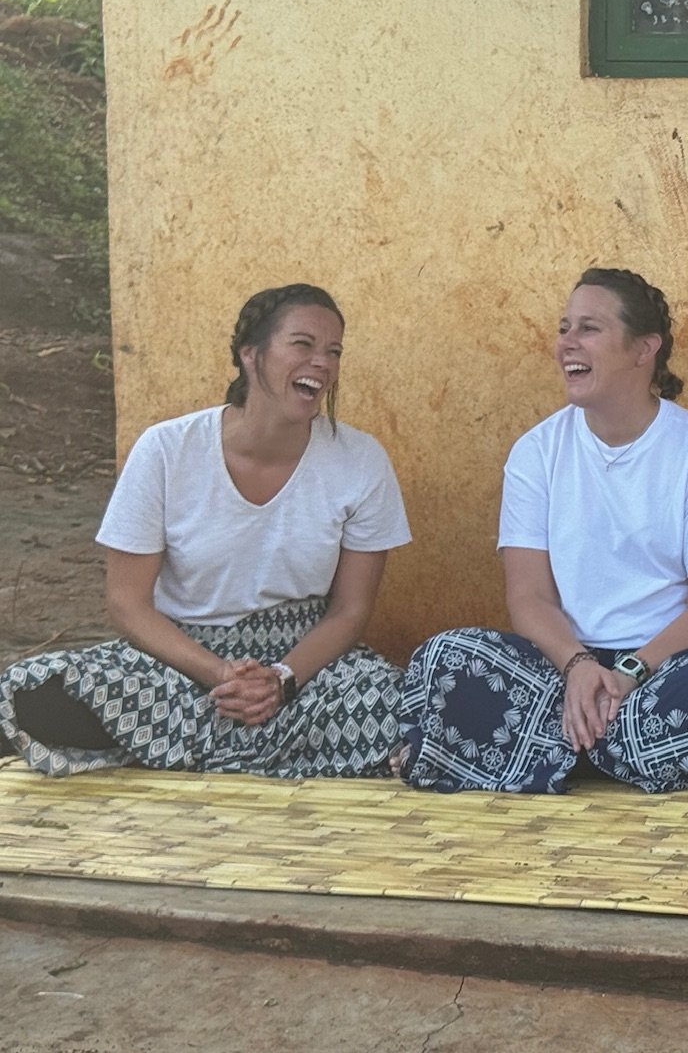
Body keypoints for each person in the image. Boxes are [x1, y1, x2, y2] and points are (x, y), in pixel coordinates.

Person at [0, 284, 412, 778]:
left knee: (401, 704)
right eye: (303, 345)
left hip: (304, 666)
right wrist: (218, 673)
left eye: (334, 351)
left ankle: (173, 745)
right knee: (33, 690)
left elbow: (351, 609)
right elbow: (127, 602)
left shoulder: (360, 460)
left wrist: (281, 680)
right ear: (250, 354)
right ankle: (276, 750)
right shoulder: (167, 450)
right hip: (179, 661)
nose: (322, 363)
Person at [396, 267, 688, 796]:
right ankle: (619, 747)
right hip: (561, 666)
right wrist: (577, 667)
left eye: (589, 329)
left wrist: (628, 673)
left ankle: (556, 749)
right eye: (563, 327)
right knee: (445, 659)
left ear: (644, 349)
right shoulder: (537, 452)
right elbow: (528, 596)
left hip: (662, 667)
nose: (566, 343)